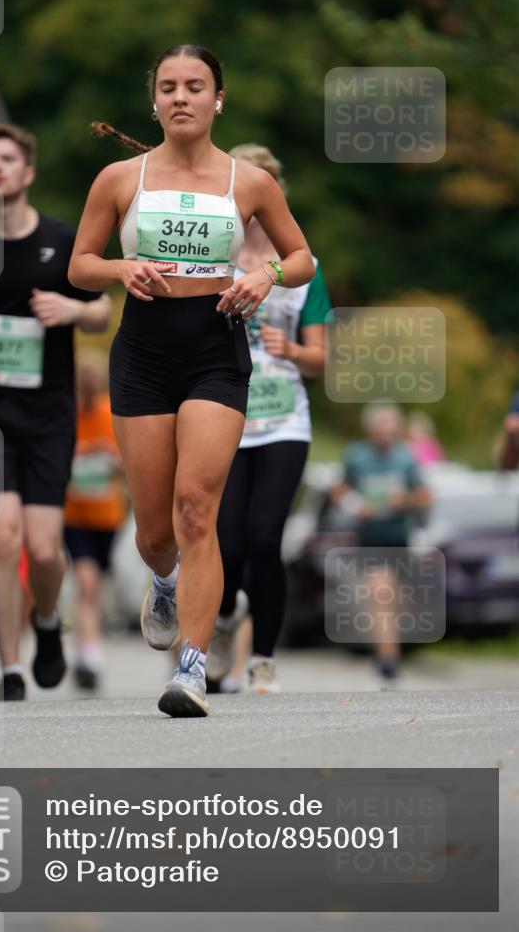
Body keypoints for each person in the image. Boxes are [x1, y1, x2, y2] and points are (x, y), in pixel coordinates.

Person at [69, 44, 315, 717]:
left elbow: (300, 258)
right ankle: (165, 579)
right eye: (168, 87)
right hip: (143, 353)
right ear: (153, 101)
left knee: (193, 508)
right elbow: (80, 265)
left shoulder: (248, 183)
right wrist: (120, 270)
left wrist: (263, 274)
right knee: (154, 530)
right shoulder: (120, 177)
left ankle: (192, 667)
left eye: (195, 86)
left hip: (215, 349)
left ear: (217, 100)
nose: (181, 97)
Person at [0, 123, 111, 701]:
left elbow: (103, 310)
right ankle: (11, 670)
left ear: (27, 171)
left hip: (46, 414)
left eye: (7, 159)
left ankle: (46, 619)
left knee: (42, 548)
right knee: (2, 539)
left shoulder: (62, 241)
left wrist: (69, 308)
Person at [211, 144, 331, 695]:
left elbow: (322, 357)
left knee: (265, 540)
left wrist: (291, 350)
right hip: (226, 414)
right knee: (228, 545)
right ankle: (222, 619)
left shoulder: (302, 268)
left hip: (284, 422)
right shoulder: (214, 255)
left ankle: (262, 658)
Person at [330, 402, 431, 680]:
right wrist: (356, 505)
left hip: (400, 539)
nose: (386, 435)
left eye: (391, 429)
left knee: (395, 601)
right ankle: (388, 660)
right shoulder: (357, 456)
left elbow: (425, 496)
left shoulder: (406, 458)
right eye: (381, 429)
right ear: (372, 430)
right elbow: (338, 490)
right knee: (379, 591)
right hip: (369, 540)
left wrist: (406, 500)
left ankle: (389, 649)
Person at [64, 349, 127, 690]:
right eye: (83, 381)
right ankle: (89, 655)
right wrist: (81, 454)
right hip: (74, 515)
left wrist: (109, 458)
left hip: (107, 516)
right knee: (86, 582)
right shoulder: (66, 413)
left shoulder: (110, 413)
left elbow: (127, 464)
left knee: (95, 586)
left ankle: (87, 647)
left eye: (94, 380)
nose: (89, 387)